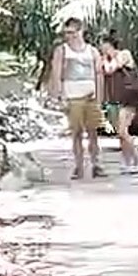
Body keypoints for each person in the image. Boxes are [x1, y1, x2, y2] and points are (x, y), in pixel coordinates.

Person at [49, 17, 105, 180]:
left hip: (90, 96)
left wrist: (99, 97)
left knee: (93, 132)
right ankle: (78, 166)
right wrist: (59, 95)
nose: (70, 36)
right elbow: (56, 73)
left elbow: (99, 75)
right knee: (77, 133)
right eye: (67, 33)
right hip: (73, 96)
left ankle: (96, 164)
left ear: (81, 31)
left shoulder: (92, 51)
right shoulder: (62, 50)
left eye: (73, 32)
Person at [99, 32, 138, 174]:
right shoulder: (106, 58)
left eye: (103, 45)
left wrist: (105, 59)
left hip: (130, 97)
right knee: (120, 133)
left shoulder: (124, 54)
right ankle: (127, 162)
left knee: (122, 131)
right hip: (117, 99)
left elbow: (111, 68)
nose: (101, 48)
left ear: (109, 45)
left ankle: (137, 161)